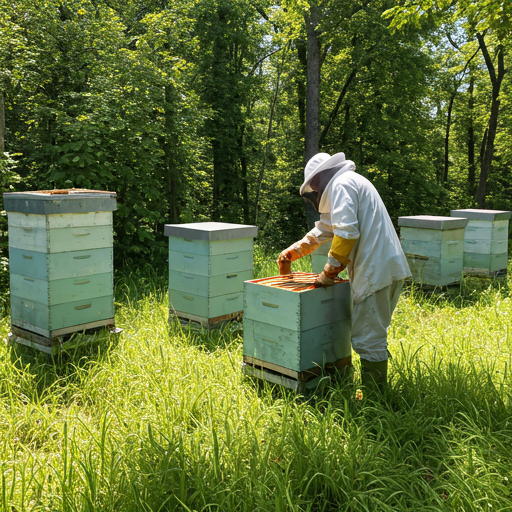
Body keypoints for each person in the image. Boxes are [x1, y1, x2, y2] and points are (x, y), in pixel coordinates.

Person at [277, 152, 411, 391]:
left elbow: (346, 233)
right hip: (382, 267)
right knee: (372, 333)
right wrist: (293, 251)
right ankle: (375, 393)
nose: (315, 192)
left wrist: (328, 272)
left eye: (314, 187)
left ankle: (375, 399)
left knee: (368, 338)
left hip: (375, 271)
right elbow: (325, 229)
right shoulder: (348, 183)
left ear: (321, 177)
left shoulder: (342, 184)